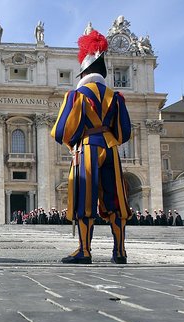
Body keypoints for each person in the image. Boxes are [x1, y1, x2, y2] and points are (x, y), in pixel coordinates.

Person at [51, 28, 132, 264]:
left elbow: (61, 129)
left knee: (84, 197)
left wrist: (72, 142)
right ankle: (120, 251)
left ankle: (84, 251)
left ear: (84, 72)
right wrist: (110, 138)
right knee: (115, 198)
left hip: (87, 148)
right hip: (110, 148)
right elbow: (125, 131)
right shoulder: (116, 97)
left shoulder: (77, 96)